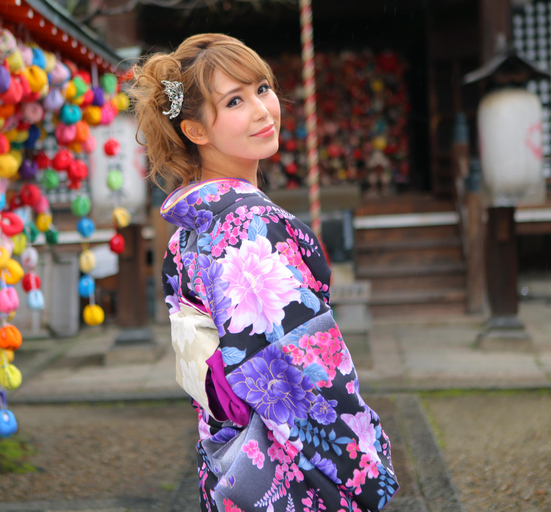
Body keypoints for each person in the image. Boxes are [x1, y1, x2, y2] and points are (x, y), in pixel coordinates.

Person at [131, 34, 399, 512]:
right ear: (195, 130)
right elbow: (296, 369)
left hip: (229, 462)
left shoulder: (187, 232)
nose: (263, 109)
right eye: (235, 100)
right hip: (285, 469)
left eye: (262, 88)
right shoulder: (249, 227)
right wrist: (364, 463)